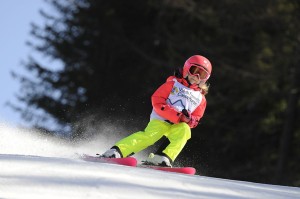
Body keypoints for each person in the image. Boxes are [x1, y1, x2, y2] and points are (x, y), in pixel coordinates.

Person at [101, 55, 212, 167]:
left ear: (205, 79)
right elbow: (157, 100)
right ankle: (117, 151)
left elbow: (196, 118)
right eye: (194, 71)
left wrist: (190, 120)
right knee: (150, 136)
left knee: (185, 131)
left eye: (201, 74)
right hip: (161, 120)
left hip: (178, 125)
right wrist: (177, 115)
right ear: (186, 69)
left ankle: (162, 157)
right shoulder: (173, 84)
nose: (196, 76)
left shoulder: (200, 98)